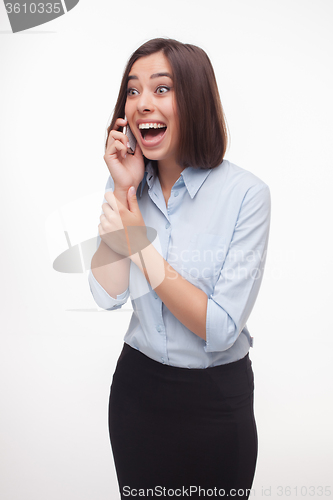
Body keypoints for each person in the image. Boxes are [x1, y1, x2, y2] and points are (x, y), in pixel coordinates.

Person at [88, 38, 271, 499]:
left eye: (161, 89)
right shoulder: (127, 185)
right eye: (132, 91)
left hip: (216, 403)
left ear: (195, 98)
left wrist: (138, 244)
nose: (142, 104)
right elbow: (106, 294)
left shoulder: (247, 195)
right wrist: (122, 190)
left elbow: (220, 327)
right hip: (137, 392)